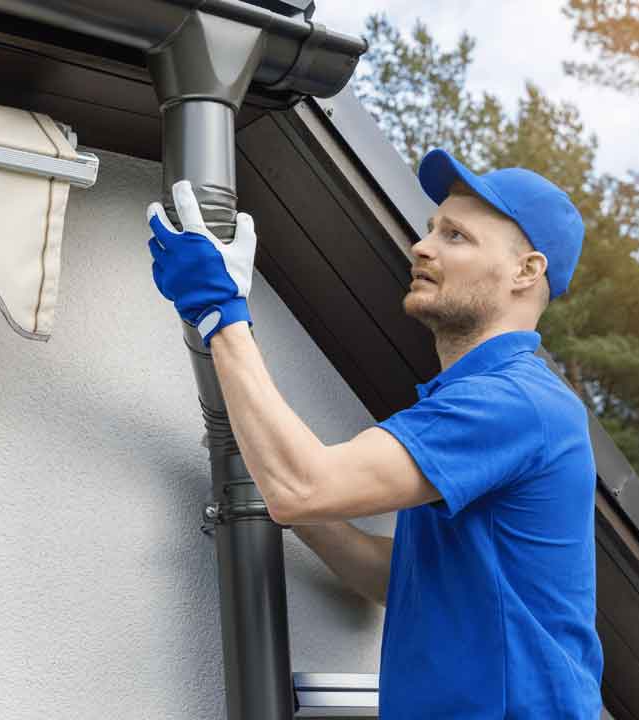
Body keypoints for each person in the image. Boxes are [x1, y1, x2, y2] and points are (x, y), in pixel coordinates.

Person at [146, 147, 604, 718]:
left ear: (526, 271)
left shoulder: (511, 403)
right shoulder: (479, 402)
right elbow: (394, 577)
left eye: (456, 237)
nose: (422, 246)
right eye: (431, 229)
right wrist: (268, 478)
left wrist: (222, 313)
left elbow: (305, 487)